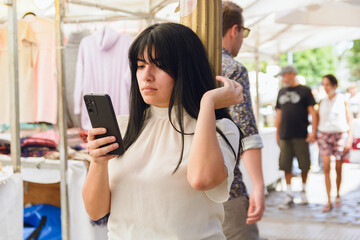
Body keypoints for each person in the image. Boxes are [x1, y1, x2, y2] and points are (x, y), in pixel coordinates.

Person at [82, 22, 244, 239]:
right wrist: (98, 162)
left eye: (159, 65)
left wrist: (207, 102)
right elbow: (95, 210)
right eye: (140, 65)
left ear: (186, 69)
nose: (146, 75)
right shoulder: (122, 127)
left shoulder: (220, 130)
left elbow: (202, 179)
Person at [221, 2, 265, 239]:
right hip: (226, 189)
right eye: (244, 33)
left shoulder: (181, 66)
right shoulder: (232, 69)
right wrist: (258, 185)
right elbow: (245, 130)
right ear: (234, 30)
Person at [275, 65, 318, 209]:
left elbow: (312, 111)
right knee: (285, 165)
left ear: (292, 74)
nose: (283, 78)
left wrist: (313, 131)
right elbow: (279, 114)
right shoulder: (281, 91)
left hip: (301, 134)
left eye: (285, 75)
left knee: (304, 164)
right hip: (285, 135)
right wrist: (277, 132)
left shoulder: (305, 90)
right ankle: (289, 194)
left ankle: (304, 191)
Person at [315, 74, 353, 212]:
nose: (326, 87)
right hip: (324, 134)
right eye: (324, 84)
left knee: (338, 167)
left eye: (328, 84)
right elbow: (317, 120)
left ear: (334, 85)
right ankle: (328, 199)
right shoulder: (321, 102)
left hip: (340, 134)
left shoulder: (343, 100)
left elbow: (350, 120)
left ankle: (337, 194)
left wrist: (350, 138)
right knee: (326, 167)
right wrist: (314, 134)